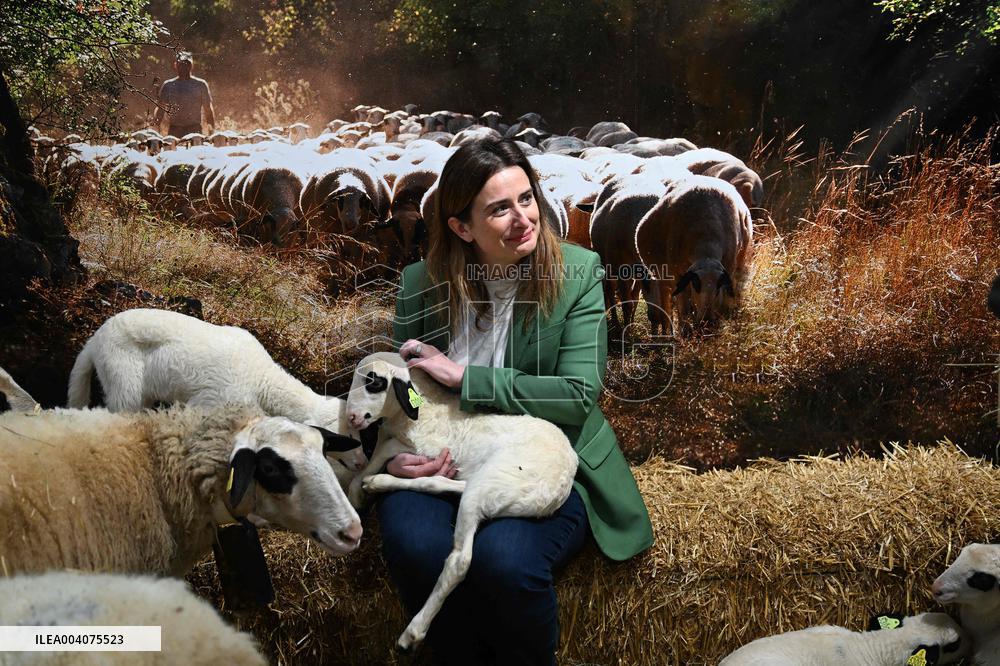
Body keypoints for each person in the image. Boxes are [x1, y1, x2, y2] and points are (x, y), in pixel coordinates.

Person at [379, 138, 654, 665]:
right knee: (415, 548)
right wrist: (393, 452)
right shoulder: (420, 283)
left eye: (526, 199)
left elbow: (575, 397)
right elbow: (400, 391)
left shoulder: (577, 273)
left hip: (544, 458)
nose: (523, 218)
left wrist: (467, 379)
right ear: (461, 227)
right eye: (499, 209)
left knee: (503, 561)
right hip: (446, 459)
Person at [153, 51, 215, 138]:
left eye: (186, 64)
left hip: (194, 131)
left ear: (191, 66)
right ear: (176, 65)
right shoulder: (168, 85)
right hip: (174, 131)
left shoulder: (200, 85)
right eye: (181, 64)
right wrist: (156, 131)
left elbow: (208, 109)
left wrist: (211, 130)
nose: (184, 67)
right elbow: (160, 109)